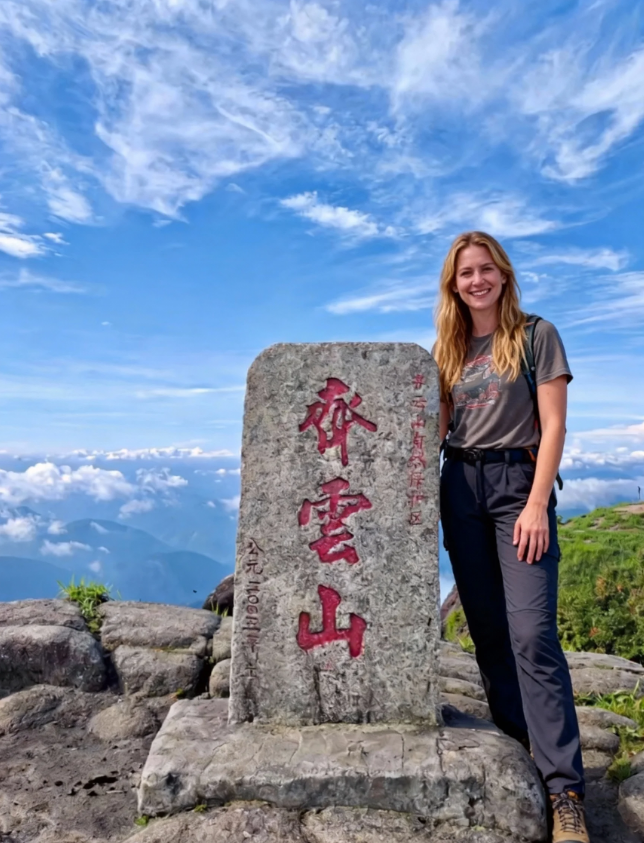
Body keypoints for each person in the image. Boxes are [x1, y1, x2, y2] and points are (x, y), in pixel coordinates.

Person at [433, 231, 589, 843]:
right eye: (465, 272)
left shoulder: (535, 335)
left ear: (503, 273)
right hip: (460, 486)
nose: (477, 280)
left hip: (518, 481)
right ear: (454, 283)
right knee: (491, 630)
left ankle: (566, 791)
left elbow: (554, 427)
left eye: (486, 269)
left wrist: (534, 506)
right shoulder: (446, 348)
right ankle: (521, 748)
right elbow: (439, 430)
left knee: (532, 632)